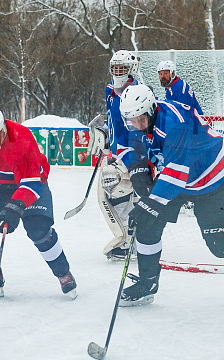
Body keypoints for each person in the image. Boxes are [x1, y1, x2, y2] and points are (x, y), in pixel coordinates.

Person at [118, 85, 224, 307]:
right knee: (147, 227)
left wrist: (148, 205)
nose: (137, 126)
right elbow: (130, 145)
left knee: (220, 248)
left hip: (212, 181)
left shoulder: (175, 124)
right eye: (132, 121)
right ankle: (148, 282)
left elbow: (176, 174)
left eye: (141, 120)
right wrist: (138, 169)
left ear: (152, 109)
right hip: (178, 178)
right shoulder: (143, 122)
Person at [0, 105, 77, 299]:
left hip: (32, 183)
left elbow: (31, 183)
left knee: (38, 229)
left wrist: (14, 209)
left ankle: (63, 273)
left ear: (3, 127)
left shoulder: (22, 139)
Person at [88, 49, 150, 261]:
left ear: (131, 69)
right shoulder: (110, 90)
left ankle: (127, 242)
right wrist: (105, 131)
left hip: (134, 153)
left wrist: (132, 158)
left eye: (122, 68)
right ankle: (134, 240)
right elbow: (114, 121)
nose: (117, 72)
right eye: (114, 68)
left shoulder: (139, 91)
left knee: (115, 196)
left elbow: (141, 127)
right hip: (117, 152)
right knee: (122, 197)